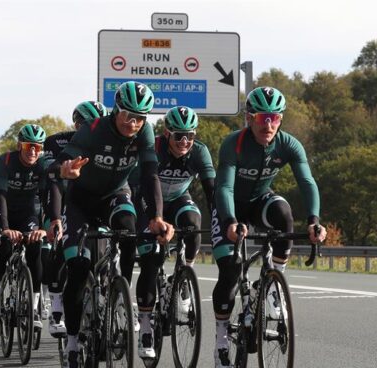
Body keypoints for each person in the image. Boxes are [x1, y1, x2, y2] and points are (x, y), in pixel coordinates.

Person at [45, 81, 174, 368]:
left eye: (140, 117)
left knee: (129, 229)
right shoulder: (95, 130)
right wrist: (65, 168)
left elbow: (151, 174)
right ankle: (75, 341)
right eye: (128, 115)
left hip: (115, 195)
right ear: (116, 110)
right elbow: (63, 159)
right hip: (80, 202)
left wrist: (156, 216)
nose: (134, 122)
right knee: (79, 267)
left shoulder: (145, 132)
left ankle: (120, 295)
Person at [210, 87, 327, 367]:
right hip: (230, 206)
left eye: (274, 117)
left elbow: (307, 183)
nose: (268, 124)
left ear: (281, 119)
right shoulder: (233, 144)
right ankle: (221, 338)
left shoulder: (289, 145)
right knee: (230, 269)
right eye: (262, 117)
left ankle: (274, 285)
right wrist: (229, 221)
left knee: (284, 214)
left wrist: (314, 221)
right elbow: (224, 186)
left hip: (260, 200)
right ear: (249, 118)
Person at [130, 105, 215, 358]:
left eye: (190, 135)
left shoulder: (199, 152)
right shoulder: (153, 149)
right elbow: (145, 184)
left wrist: (222, 217)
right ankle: (145, 326)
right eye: (179, 136)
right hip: (146, 200)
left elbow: (212, 189)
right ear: (167, 134)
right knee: (151, 261)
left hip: (178, 199)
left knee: (192, 223)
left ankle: (184, 273)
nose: (185, 141)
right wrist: (154, 218)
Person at [40, 101, 108, 337]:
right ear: (77, 124)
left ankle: (107, 294)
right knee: (58, 243)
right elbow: (53, 181)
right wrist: (54, 218)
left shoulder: (106, 141)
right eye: (88, 125)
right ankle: (57, 303)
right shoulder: (56, 142)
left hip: (89, 200)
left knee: (102, 248)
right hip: (59, 195)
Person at [0, 124, 48, 332]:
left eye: (38, 148)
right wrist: (5, 228)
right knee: (3, 248)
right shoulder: (4, 162)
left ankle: (35, 305)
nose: (33, 151)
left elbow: (48, 198)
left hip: (27, 214)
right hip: (1, 211)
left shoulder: (42, 166)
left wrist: (42, 227)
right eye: (29, 146)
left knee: (35, 247)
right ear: (20, 145)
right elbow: (0, 196)